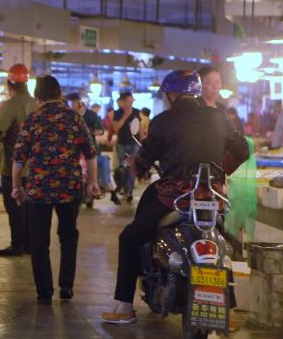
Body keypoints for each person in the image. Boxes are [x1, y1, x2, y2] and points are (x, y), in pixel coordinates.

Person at [100, 70, 249, 324]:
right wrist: (219, 174)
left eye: (166, 94)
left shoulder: (163, 121)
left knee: (130, 237)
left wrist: (134, 164)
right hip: (210, 198)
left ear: (173, 94)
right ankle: (230, 311)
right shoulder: (218, 117)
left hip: (175, 197)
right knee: (220, 241)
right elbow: (243, 150)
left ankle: (124, 307)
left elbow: (144, 161)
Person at [12, 75, 101, 304]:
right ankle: (66, 287)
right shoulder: (75, 118)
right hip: (69, 187)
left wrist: (16, 187)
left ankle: (44, 292)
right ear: (60, 94)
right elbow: (90, 153)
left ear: (37, 97)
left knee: (39, 242)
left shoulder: (32, 120)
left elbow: (18, 160)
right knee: (68, 236)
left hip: (38, 189)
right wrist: (92, 182)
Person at [0, 63, 36, 257]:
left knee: (14, 204)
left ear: (10, 84)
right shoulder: (35, 103)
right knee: (29, 206)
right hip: (33, 165)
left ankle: (17, 244)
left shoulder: (9, 105)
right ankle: (29, 244)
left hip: (12, 164)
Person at [110, 92, 141, 203]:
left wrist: (141, 143)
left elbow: (140, 129)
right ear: (122, 101)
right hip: (122, 145)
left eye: (131, 101)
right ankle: (122, 186)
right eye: (127, 101)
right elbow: (115, 128)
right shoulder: (118, 113)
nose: (130, 103)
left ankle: (129, 192)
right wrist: (125, 116)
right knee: (122, 169)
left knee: (132, 169)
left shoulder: (137, 112)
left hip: (134, 144)